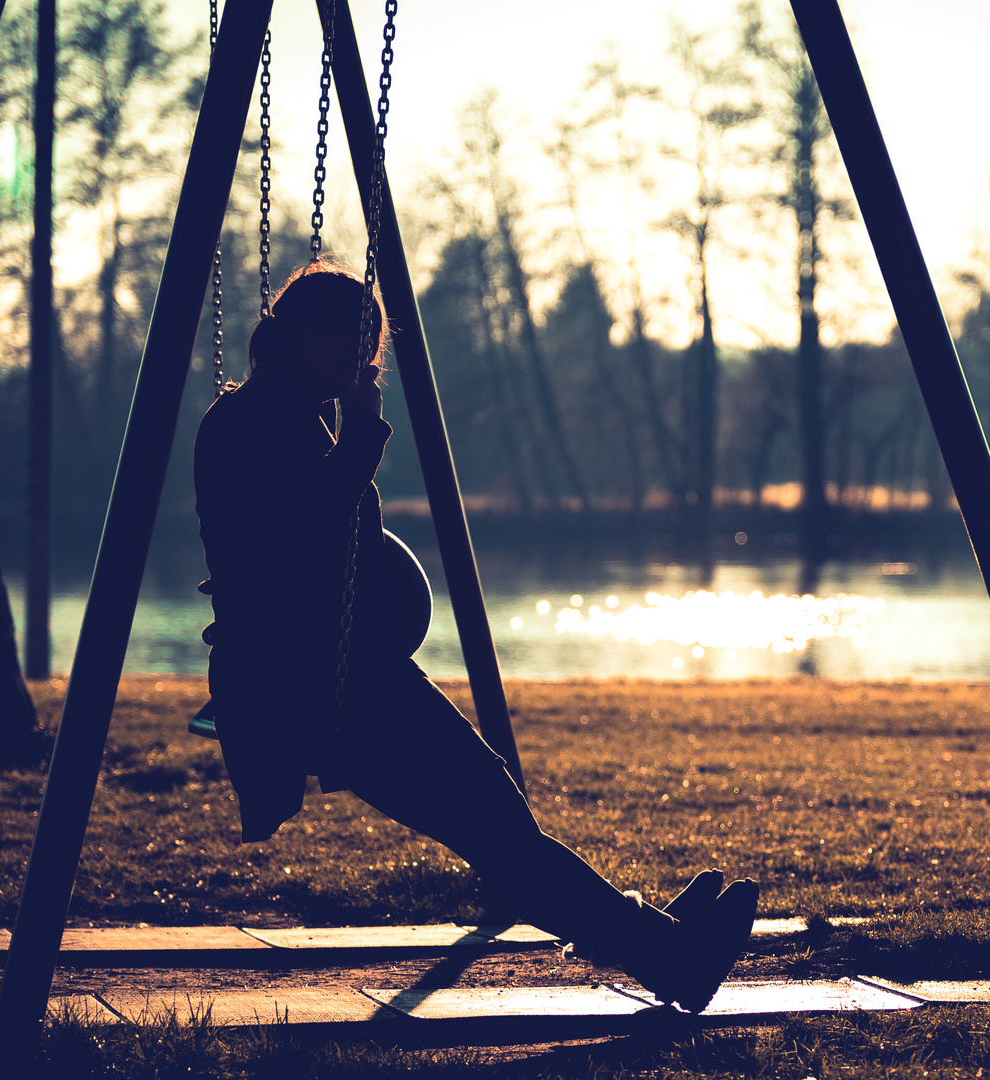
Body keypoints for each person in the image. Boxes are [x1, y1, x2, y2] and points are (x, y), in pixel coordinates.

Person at [194, 264, 758, 1012]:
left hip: (352, 679)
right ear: (299, 335)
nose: (361, 369)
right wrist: (362, 435)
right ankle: (667, 955)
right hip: (325, 694)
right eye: (351, 349)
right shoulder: (247, 425)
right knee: (497, 829)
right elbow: (310, 535)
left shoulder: (284, 417)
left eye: (369, 353)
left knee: (497, 823)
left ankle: (653, 940)